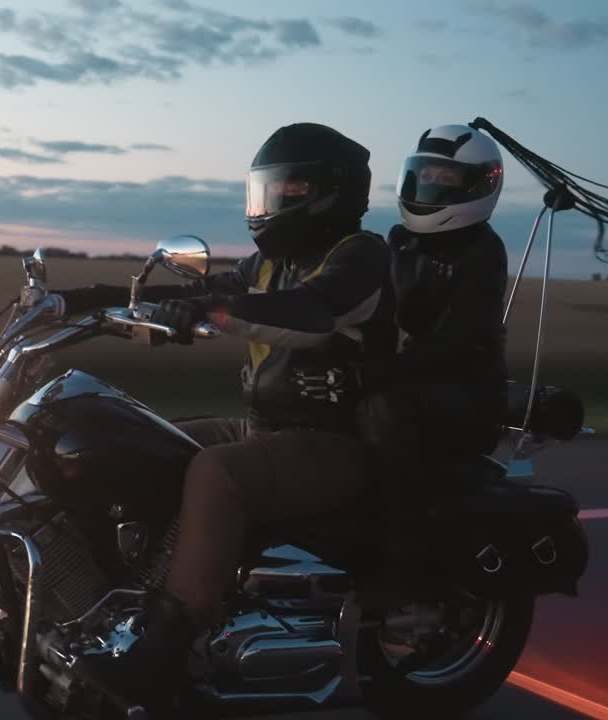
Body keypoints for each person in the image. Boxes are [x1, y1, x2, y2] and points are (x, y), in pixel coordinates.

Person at [56, 122, 397, 710]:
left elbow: (311, 314)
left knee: (217, 473)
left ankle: (166, 651)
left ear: (327, 194)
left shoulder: (360, 256)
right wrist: (85, 299)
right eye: (267, 190)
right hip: (265, 427)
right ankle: (122, 599)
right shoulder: (270, 261)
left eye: (285, 191)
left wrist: (211, 311)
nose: (270, 204)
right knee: (144, 441)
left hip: (336, 440)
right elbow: (201, 295)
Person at [357, 119, 608, 598]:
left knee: (383, 410)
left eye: (447, 179)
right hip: (420, 376)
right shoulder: (401, 239)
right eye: (426, 175)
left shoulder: (481, 251)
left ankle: (402, 549)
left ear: (478, 186)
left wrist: (384, 370)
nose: (432, 185)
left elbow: (456, 340)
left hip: (465, 391)